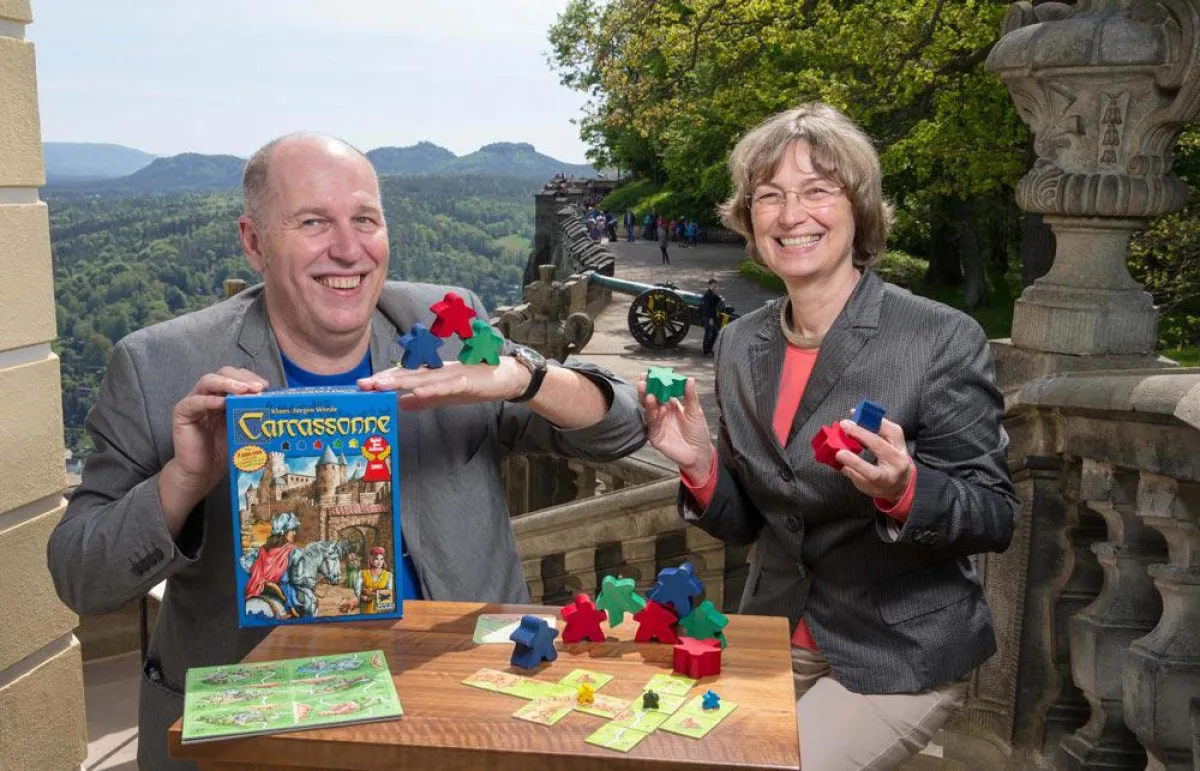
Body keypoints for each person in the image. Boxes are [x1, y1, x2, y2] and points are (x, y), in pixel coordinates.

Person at [47, 133, 647, 771]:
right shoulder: (158, 365)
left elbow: (622, 431)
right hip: (268, 735)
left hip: (466, 703)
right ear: (253, 242)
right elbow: (80, 578)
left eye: (365, 219)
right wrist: (183, 479)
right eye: (312, 222)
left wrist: (525, 378)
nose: (347, 248)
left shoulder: (446, 324)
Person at [639, 103, 1018, 770]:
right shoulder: (738, 343)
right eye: (770, 196)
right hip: (772, 633)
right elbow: (753, 520)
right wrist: (700, 465)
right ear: (749, 217)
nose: (792, 215)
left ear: (859, 208)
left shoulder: (938, 337)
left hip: (897, 646)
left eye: (817, 190)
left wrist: (907, 491)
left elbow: (993, 512)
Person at [242, 511, 302, 617]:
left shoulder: (263, 550)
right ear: (283, 531)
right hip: (274, 587)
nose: (294, 533)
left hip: (263, 584)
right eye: (292, 530)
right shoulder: (290, 551)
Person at [355, 546, 395, 614]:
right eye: (376, 559)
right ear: (371, 559)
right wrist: (362, 597)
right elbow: (357, 590)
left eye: (381, 559)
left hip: (383, 608)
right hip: (366, 607)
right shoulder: (362, 573)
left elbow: (390, 592)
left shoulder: (389, 575)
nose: (379, 562)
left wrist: (372, 595)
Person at [699, 278, 723, 357]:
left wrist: (720, 299)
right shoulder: (707, 295)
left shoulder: (712, 295)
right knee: (709, 334)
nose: (714, 287)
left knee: (714, 333)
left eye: (715, 286)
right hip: (708, 318)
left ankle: (709, 349)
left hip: (710, 318)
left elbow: (717, 300)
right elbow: (706, 309)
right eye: (713, 285)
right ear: (709, 285)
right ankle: (706, 351)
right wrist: (710, 319)